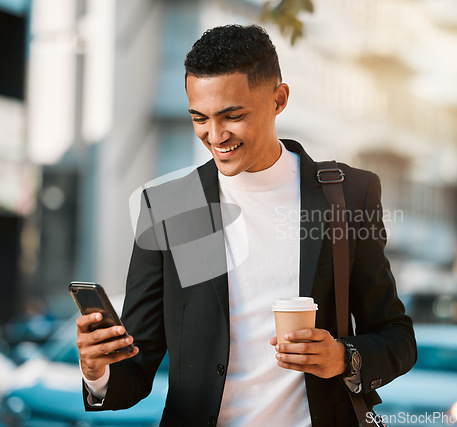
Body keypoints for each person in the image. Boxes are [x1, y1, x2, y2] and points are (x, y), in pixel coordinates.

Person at [76, 24, 416, 426]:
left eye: (232, 116)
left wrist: (344, 358)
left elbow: (397, 337)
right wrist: (97, 371)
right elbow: (137, 369)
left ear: (279, 99)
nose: (215, 135)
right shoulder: (173, 208)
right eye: (199, 118)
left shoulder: (345, 197)